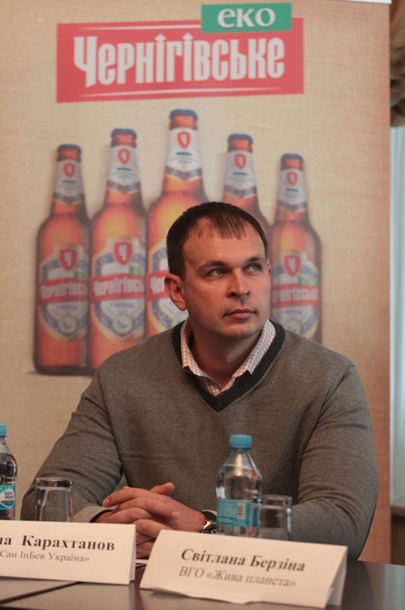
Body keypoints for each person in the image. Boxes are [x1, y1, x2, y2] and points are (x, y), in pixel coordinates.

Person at [22, 201, 378, 559]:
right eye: (217, 272)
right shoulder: (121, 377)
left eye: (253, 268)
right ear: (177, 291)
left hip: (278, 586)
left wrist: (207, 529)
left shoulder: (330, 378)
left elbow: (342, 522)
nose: (241, 287)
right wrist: (107, 526)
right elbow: (44, 501)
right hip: (156, 586)